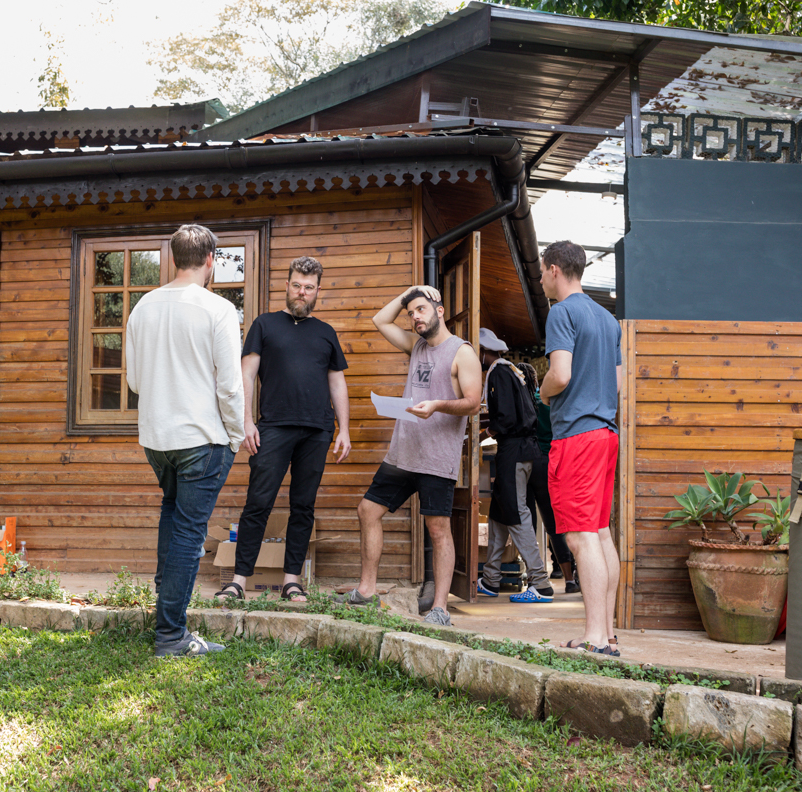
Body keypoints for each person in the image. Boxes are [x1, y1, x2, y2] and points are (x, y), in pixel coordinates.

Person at [125, 223, 244, 658]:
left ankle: (167, 616)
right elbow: (230, 388)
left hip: (157, 439)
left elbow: (135, 381)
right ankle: (171, 635)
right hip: (202, 439)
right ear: (210, 260)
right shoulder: (218, 311)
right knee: (190, 534)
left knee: (173, 518)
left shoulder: (142, 307)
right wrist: (235, 436)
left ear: (175, 258)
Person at [338, 285, 482, 627]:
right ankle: (367, 589)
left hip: (436, 457)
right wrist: (408, 293)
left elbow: (473, 403)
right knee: (367, 511)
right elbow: (379, 320)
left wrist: (437, 406)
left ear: (440, 310)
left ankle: (441, 609)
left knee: (438, 529)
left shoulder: (462, 353)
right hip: (402, 454)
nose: (415, 317)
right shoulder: (416, 346)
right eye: (411, 313)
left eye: (421, 309)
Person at [214, 256, 351, 604]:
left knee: (303, 506)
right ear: (286, 286)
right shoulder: (264, 325)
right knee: (258, 503)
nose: (301, 292)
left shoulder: (326, 333)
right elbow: (246, 375)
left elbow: (338, 384)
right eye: (296, 285)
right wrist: (245, 421)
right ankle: (239, 581)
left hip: (317, 430)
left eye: (308, 287)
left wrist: (344, 430)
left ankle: (292, 582)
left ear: (317, 291)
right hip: (272, 428)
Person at [538, 240, 623, 656]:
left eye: (541, 271)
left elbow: (561, 374)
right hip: (607, 435)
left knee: (579, 538)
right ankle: (605, 634)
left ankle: (593, 638)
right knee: (601, 534)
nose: (540, 279)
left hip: (577, 436)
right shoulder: (608, 320)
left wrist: (542, 391)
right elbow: (619, 383)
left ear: (554, 270)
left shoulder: (561, 312)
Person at [475, 329, 553, 603]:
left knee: (517, 514)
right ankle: (491, 579)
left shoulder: (497, 373)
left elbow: (505, 418)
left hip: (514, 451)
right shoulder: (514, 373)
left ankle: (541, 584)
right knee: (499, 513)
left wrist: (483, 434)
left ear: (484, 351)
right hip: (526, 449)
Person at [523, 361, 579, 594]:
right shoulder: (550, 399)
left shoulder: (523, 401)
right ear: (537, 381)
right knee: (555, 524)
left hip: (525, 461)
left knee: (526, 524)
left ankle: (534, 579)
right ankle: (569, 579)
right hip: (549, 461)